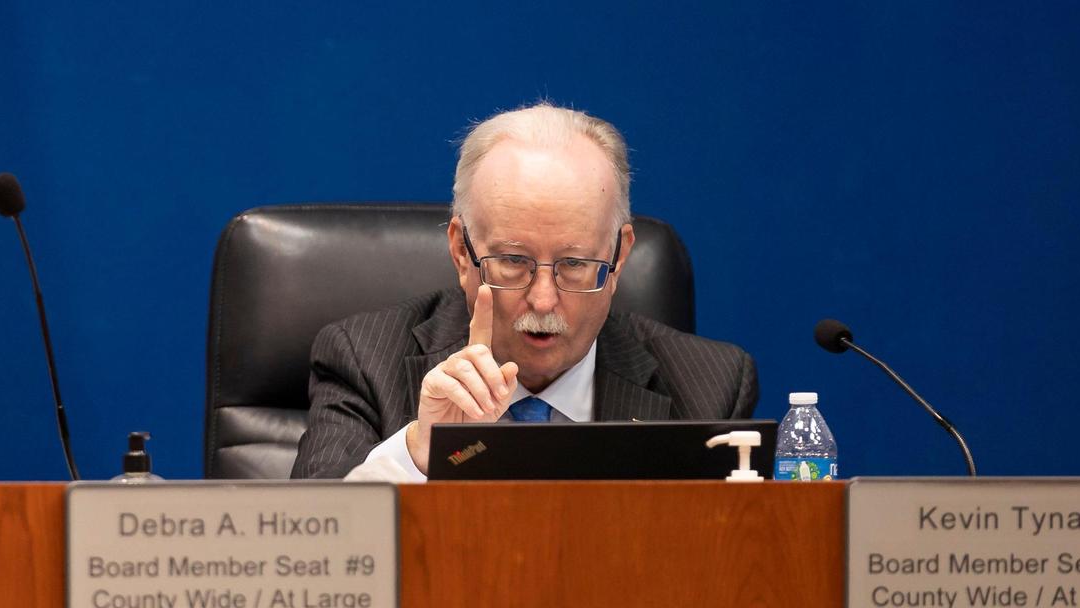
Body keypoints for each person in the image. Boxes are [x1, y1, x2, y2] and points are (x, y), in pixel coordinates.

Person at [291, 103, 758, 481]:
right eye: (514, 262)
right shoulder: (364, 362)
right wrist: (419, 456)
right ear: (460, 250)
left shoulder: (711, 387)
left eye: (575, 265)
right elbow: (310, 562)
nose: (543, 301)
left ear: (618, 258)